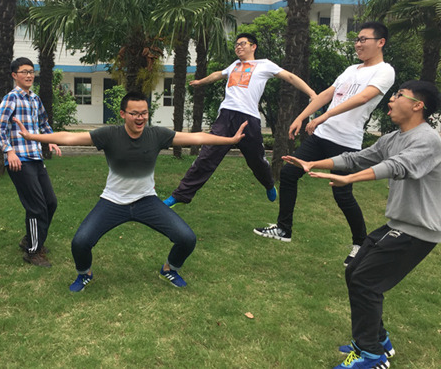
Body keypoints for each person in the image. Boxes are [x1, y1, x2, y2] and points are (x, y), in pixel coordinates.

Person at [15, 91, 247, 292]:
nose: (140, 118)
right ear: (123, 114)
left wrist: (230, 139)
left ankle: (169, 269)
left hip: (147, 201)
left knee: (187, 238)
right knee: (80, 243)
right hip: (112, 202)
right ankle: (84, 274)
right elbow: (69, 137)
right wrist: (32, 136)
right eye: (134, 113)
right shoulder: (110, 135)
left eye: (144, 113)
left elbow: (197, 137)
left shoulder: (156, 135)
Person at [282, 80, 440, 369]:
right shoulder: (393, 138)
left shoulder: (428, 140)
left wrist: (348, 179)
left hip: (419, 230)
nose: (391, 100)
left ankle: (370, 356)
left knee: (366, 280)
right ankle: (378, 340)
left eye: (399, 95)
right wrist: (313, 164)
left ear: (418, 105)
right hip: (400, 223)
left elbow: (397, 167)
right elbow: (356, 158)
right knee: (355, 270)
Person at [254, 22, 395, 266]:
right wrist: (301, 116)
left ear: (380, 42)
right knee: (289, 173)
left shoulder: (385, 71)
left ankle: (360, 243)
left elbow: (363, 98)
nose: (358, 44)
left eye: (364, 39)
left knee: (342, 194)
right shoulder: (351, 69)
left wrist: (325, 115)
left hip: (346, 142)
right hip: (322, 136)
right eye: (357, 39)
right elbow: (327, 94)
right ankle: (284, 229)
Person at [163, 33, 317, 208]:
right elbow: (217, 74)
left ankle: (268, 184)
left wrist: (312, 93)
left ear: (253, 46)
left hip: (248, 118)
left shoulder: (264, 64)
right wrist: (201, 82)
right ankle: (179, 195)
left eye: (242, 43)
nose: (238, 47)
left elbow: (290, 77)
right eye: (236, 45)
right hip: (226, 116)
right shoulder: (234, 65)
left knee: (256, 160)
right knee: (207, 155)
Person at [0, 57, 60, 267]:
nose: (29, 75)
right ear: (14, 75)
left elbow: (43, 123)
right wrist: (9, 151)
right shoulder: (11, 98)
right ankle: (33, 251)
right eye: (24, 72)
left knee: (50, 202)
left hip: (36, 157)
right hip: (19, 161)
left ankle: (30, 240)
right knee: (36, 206)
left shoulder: (35, 99)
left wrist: (51, 140)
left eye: (31, 71)